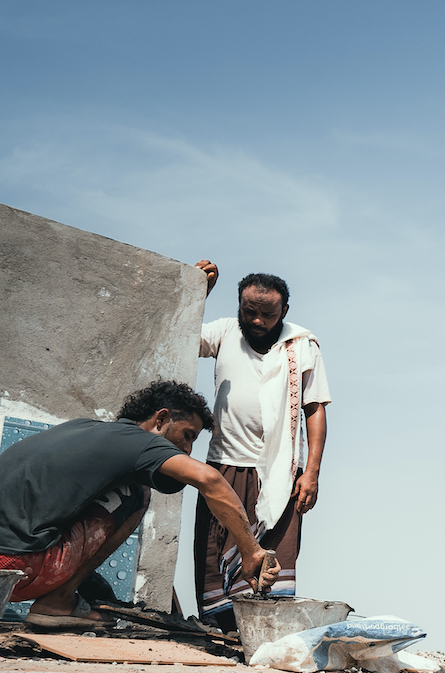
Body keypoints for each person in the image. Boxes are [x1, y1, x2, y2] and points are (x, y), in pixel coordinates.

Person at [0, 381, 278, 628]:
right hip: (18, 566)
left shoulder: (82, 428)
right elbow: (210, 480)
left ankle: (66, 592)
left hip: (6, 573)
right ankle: (58, 600)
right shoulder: (140, 442)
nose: (188, 450)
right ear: (161, 419)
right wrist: (250, 551)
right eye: (188, 435)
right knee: (138, 493)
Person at [191, 262, 331, 630]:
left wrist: (312, 473)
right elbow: (178, 336)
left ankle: (266, 640)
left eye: (267, 314)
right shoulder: (223, 332)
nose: (256, 321)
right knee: (214, 561)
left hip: (281, 473)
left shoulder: (302, 345)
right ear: (238, 305)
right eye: (249, 312)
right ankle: (225, 641)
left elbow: (314, 410)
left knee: (276, 564)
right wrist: (196, 292)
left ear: (284, 311)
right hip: (223, 466)